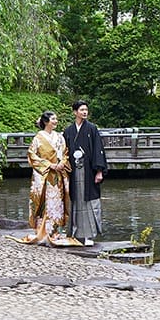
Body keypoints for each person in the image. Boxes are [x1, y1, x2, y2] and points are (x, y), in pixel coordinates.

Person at [17, 111, 77, 246]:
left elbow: (65, 152)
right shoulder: (38, 138)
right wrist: (49, 165)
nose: (56, 121)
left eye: (56, 119)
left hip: (58, 174)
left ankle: (55, 231)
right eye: (53, 119)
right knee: (44, 202)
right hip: (44, 175)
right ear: (46, 122)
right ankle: (42, 231)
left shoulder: (60, 137)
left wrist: (62, 163)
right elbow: (32, 155)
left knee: (57, 202)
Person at [62, 100, 108, 246]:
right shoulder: (68, 131)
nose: (84, 112)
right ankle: (74, 233)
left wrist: (99, 171)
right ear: (75, 112)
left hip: (88, 170)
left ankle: (89, 236)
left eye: (86, 110)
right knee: (75, 200)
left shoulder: (92, 129)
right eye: (81, 110)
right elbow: (63, 151)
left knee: (88, 201)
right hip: (73, 171)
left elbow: (98, 150)